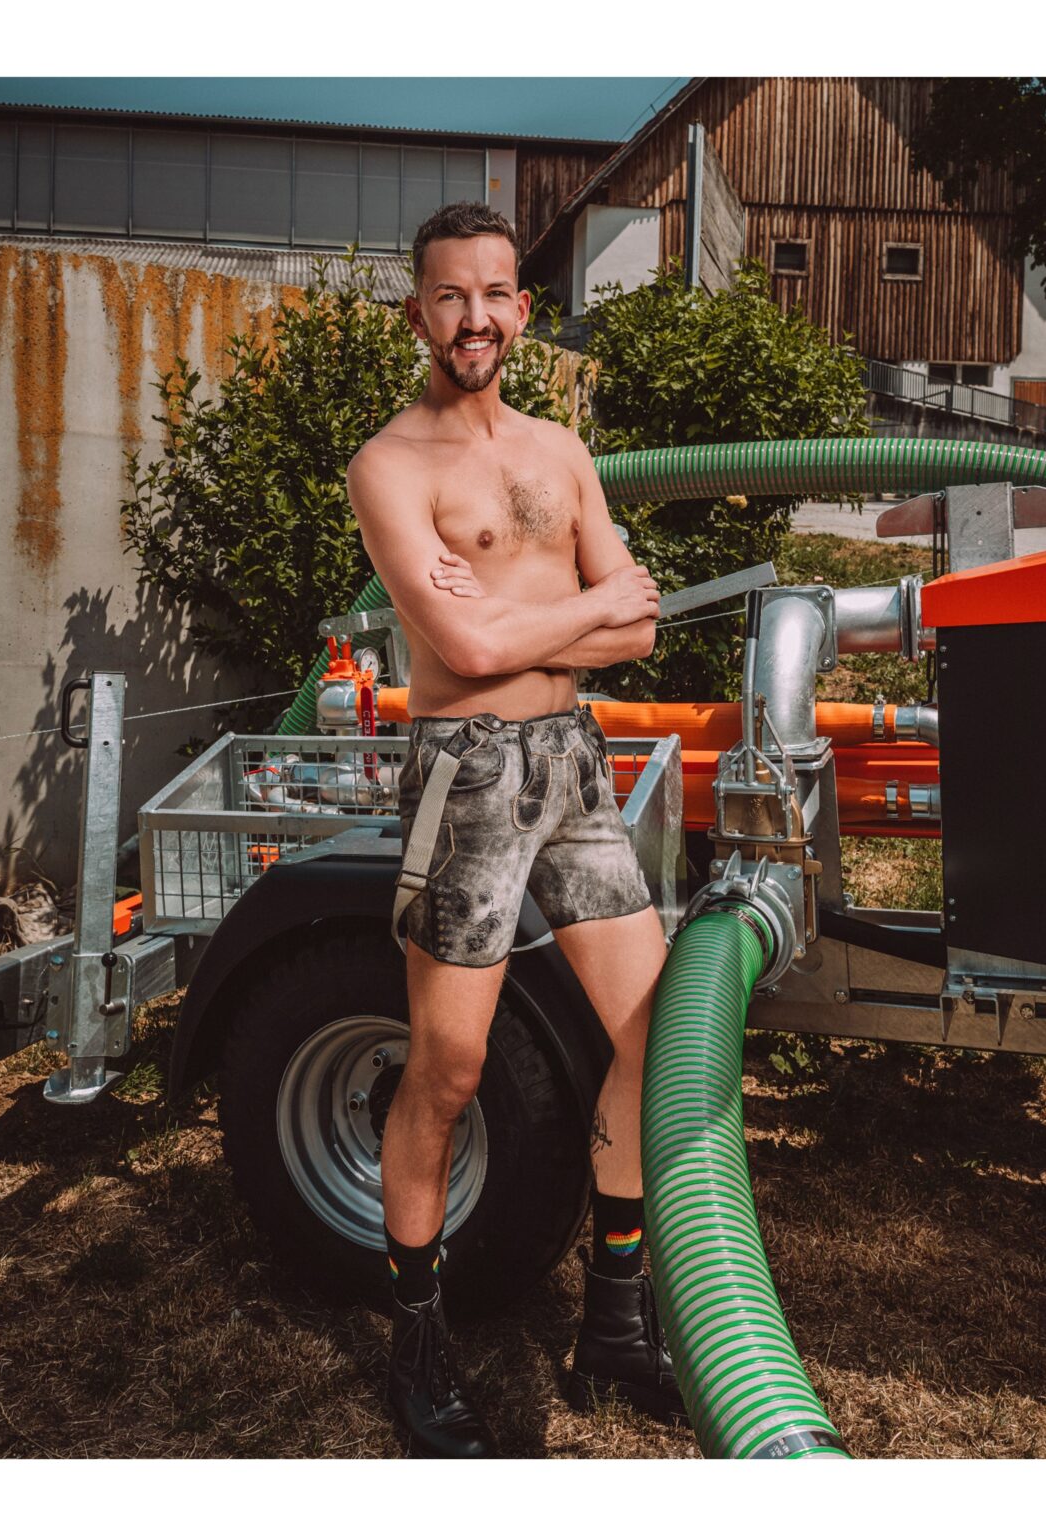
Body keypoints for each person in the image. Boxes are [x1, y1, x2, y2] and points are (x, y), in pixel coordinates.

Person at [347, 202, 683, 1459]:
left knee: (655, 1039)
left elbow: (638, 627)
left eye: (494, 294)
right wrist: (582, 606)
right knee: (447, 1070)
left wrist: (547, 622)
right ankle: (417, 1344)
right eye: (449, 296)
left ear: (522, 311)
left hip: (573, 765)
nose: (473, 317)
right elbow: (467, 645)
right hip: (468, 777)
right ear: (418, 313)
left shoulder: (561, 450)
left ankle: (612, 1326)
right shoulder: (392, 468)